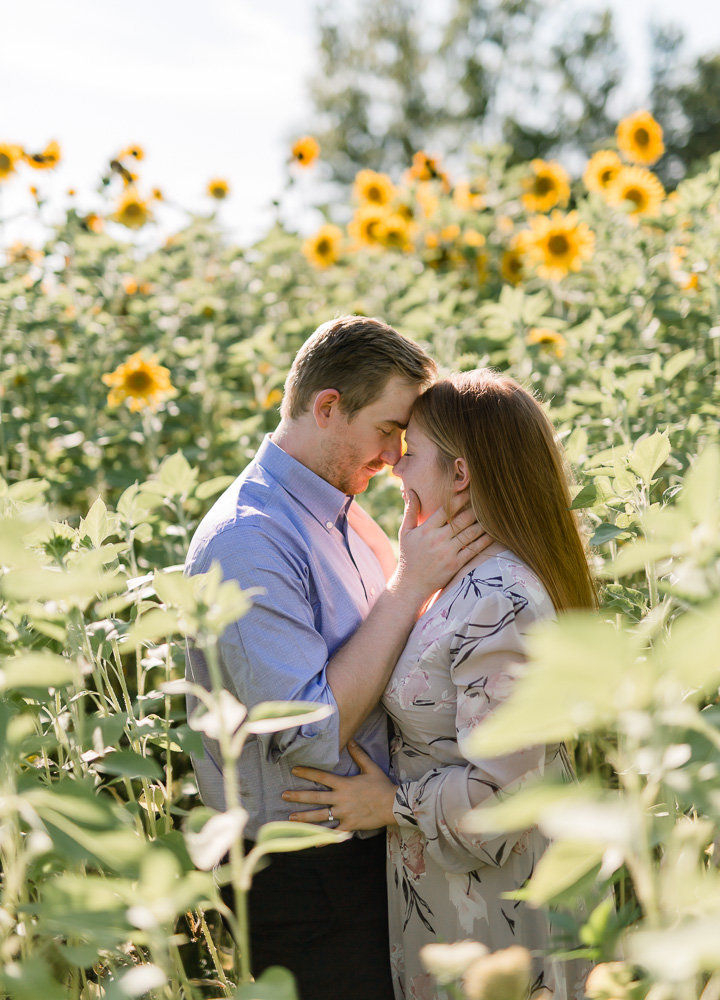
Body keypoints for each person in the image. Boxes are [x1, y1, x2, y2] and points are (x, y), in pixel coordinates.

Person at [184, 318, 489, 1000]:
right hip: (305, 880)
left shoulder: (342, 511)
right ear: (327, 408)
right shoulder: (250, 542)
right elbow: (311, 733)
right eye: (388, 429)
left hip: (368, 843)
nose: (395, 455)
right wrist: (410, 583)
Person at [283, 368, 597, 1000]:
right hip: (454, 899)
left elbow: (508, 799)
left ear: (461, 475)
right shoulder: (464, 578)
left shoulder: (499, 598)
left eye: (413, 453)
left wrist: (390, 803)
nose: (396, 467)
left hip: (493, 919)